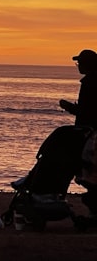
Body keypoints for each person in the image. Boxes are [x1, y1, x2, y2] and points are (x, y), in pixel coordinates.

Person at [59, 48, 97, 217]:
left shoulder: (90, 83)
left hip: (90, 134)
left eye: (80, 63)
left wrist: (68, 107)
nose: (78, 66)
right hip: (90, 132)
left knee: (88, 172)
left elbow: (86, 111)